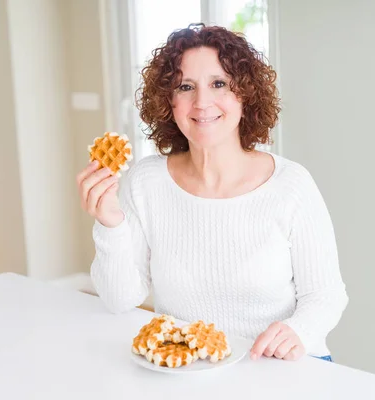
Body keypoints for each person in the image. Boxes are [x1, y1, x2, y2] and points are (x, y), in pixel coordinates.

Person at [76, 23, 348, 362]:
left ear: (245, 95)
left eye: (218, 83)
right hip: (191, 368)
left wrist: (299, 332)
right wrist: (110, 224)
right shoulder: (146, 182)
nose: (202, 102)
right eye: (185, 86)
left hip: (279, 367)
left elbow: (326, 295)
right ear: (169, 103)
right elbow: (120, 299)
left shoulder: (292, 185)